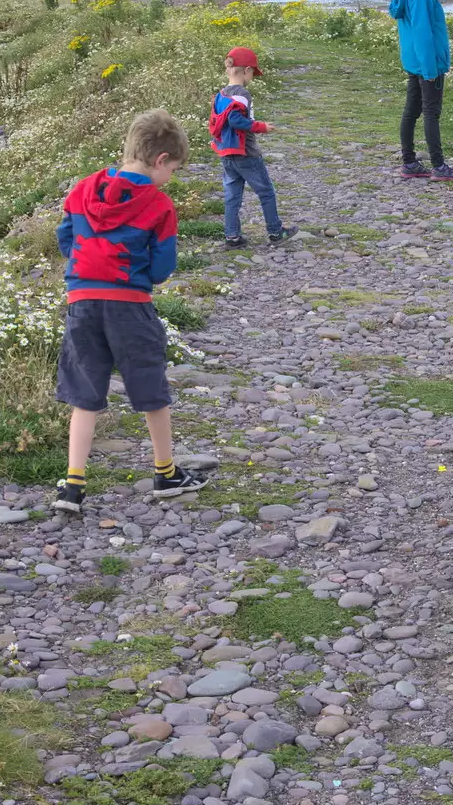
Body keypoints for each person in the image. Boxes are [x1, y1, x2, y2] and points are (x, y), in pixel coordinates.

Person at [52, 108, 209, 516]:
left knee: (85, 396)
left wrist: (88, 268)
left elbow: (66, 238)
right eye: (172, 169)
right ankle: (165, 472)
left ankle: (73, 486)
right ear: (160, 160)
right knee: (151, 391)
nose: (170, 177)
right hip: (130, 307)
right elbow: (159, 271)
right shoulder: (158, 206)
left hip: (82, 303)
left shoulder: (82, 189)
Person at [209, 44, 296, 248]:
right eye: (253, 73)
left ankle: (232, 237)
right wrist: (261, 127)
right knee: (266, 191)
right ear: (246, 70)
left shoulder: (221, 94)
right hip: (246, 153)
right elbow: (235, 120)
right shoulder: (241, 94)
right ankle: (275, 232)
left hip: (226, 153)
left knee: (232, 197)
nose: (252, 78)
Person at [388, 0, 453, 181]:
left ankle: (409, 162)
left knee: (411, 112)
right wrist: (430, 68)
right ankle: (439, 166)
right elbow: (421, 31)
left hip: (414, 61)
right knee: (431, 113)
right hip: (427, 63)